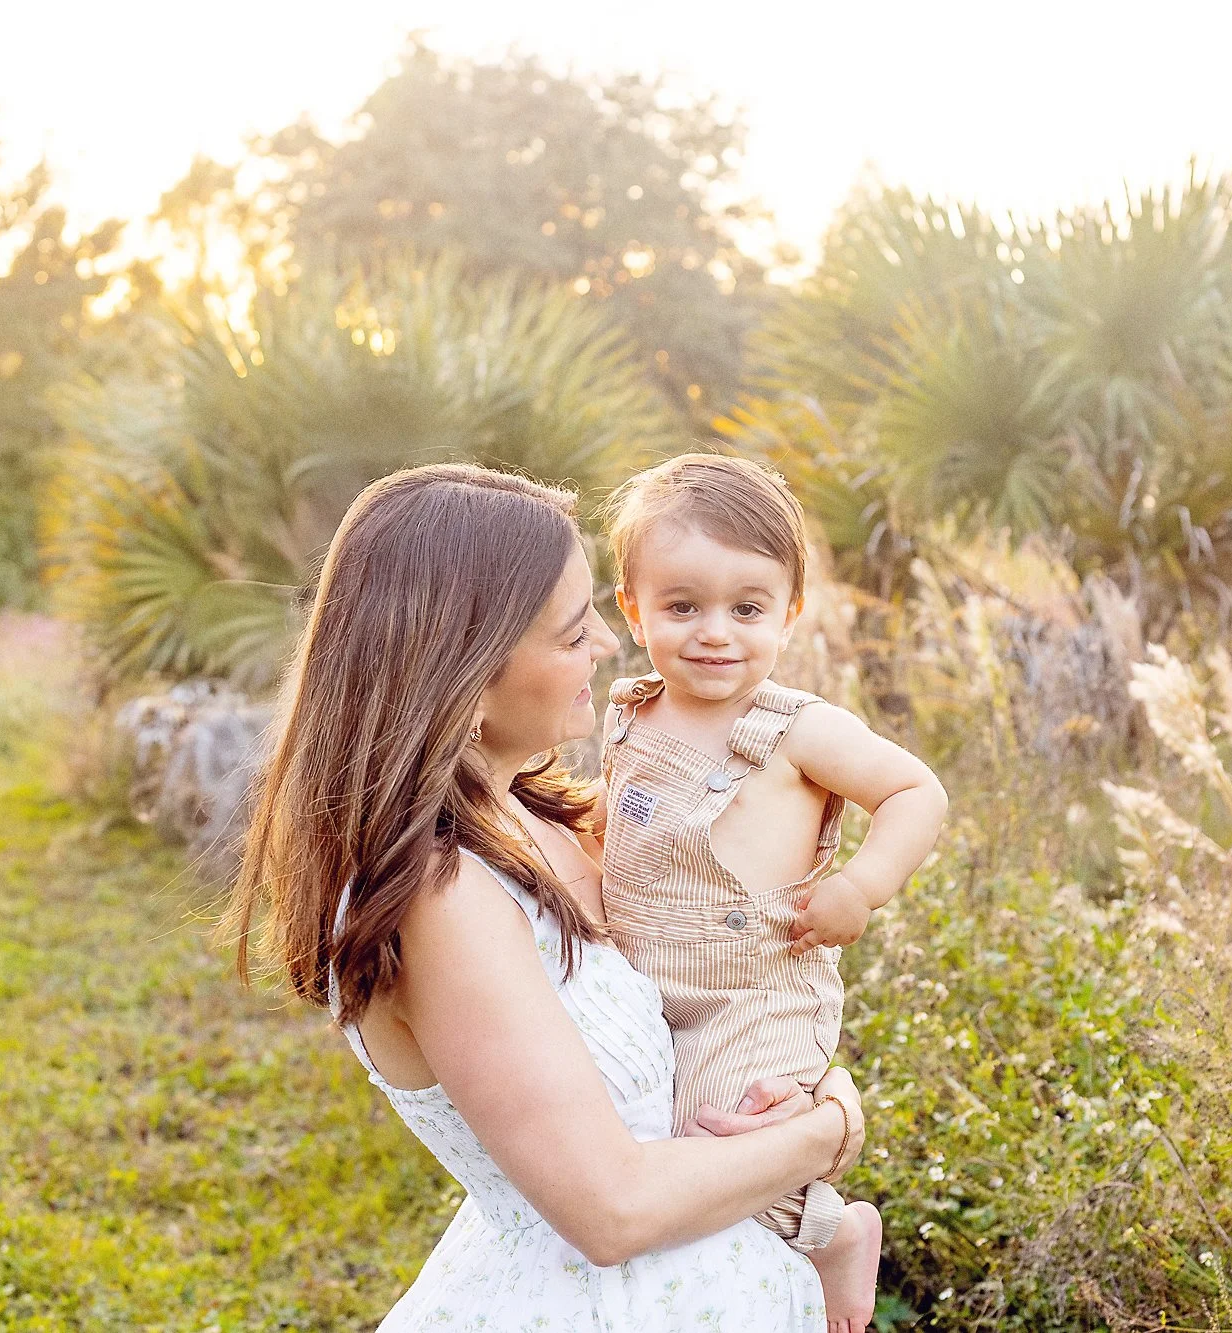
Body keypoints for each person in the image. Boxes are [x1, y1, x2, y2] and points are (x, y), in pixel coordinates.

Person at [226, 463, 866, 1331]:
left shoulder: (545, 815)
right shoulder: (439, 895)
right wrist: (827, 1126)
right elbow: (610, 1209)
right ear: (468, 666)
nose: (608, 644)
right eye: (573, 631)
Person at [599, 454, 948, 1333]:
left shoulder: (799, 729)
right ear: (632, 607)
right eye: (682, 607)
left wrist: (862, 886)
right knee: (627, 1141)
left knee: (716, 1134)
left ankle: (833, 1233)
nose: (716, 632)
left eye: (747, 608)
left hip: (754, 988)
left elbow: (917, 792)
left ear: (790, 612)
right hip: (644, 979)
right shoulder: (630, 711)